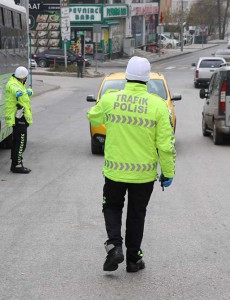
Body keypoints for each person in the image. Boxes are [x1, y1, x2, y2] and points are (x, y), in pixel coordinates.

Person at [87, 56, 176, 273]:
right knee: (137, 213)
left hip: (114, 172)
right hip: (143, 175)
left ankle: (114, 246)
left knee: (112, 207)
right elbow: (165, 145)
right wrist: (168, 171)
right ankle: (134, 259)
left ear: (126, 76)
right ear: (146, 79)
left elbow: (93, 117)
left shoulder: (110, 99)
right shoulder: (158, 105)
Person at [5, 66, 34, 174]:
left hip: (20, 116)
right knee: (21, 142)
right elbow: (13, 89)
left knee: (16, 142)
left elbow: (24, 92)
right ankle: (17, 165)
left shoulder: (19, 82)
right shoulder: (13, 84)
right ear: (22, 77)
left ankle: (14, 164)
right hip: (18, 118)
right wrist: (17, 92)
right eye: (25, 77)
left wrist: (29, 91)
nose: (26, 78)